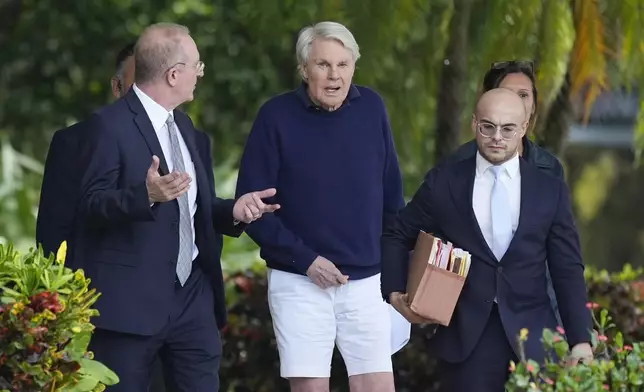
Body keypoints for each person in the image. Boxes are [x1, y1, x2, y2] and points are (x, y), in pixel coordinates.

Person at [76, 22, 279, 392]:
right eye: (197, 66)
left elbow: (191, 209)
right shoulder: (107, 127)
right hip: (131, 308)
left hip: (193, 301)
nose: (200, 74)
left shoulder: (186, 128)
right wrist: (146, 195)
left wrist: (232, 211)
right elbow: (90, 205)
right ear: (173, 74)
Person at [381, 88, 594, 391]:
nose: (497, 137)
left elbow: (567, 268)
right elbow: (396, 234)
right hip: (466, 339)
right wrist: (394, 293)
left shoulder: (549, 190)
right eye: (488, 126)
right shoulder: (445, 182)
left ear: (523, 128)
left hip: (535, 340)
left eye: (508, 128)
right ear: (474, 124)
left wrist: (580, 339)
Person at [235, 21, 404, 392]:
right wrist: (305, 260)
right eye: (323, 65)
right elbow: (252, 212)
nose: (334, 76)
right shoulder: (275, 117)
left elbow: (393, 200)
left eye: (343, 65)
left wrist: (395, 271)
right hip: (299, 281)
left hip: (367, 283)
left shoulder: (372, 108)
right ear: (303, 69)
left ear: (354, 67)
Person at [444, 60, 564, 325]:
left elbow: (560, 248)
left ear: (533, 106)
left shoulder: (549, 168)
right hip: (473, 309)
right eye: (508, 94)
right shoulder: (457, 165)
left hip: (536, 307)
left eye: (524, 95)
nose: (517, 102)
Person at [36, 42, 136, 259]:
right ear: (117, 87)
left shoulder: (190, 142)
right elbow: (53, 233)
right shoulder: (74, 142)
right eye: (140, 85)